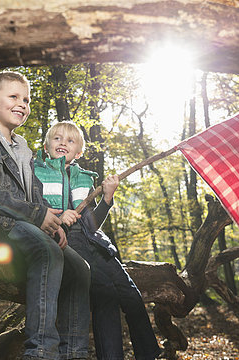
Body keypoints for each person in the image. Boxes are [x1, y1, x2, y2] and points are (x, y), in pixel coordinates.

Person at [0, 71, 90, 360]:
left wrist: (52, 222)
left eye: (26, 99)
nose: (22, 104)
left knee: (80, 270)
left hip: (24, 221)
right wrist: (38, 215)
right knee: (47, 252)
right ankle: (40, 351)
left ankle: (75, 352)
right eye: (13, 97)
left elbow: (34, 195)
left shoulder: (23, 149)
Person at [34, 121, 162, 360]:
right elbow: (37, 210)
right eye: (57, 138)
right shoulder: (37, 172)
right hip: (69, 243)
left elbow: (93, 224)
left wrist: (107, 197)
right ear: (46, 145)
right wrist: (60, 216)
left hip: (98, 245)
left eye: (70, 141)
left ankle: (149, 353)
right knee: (105, 294)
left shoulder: (85, 178)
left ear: (79, 151)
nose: (63, 143)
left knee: (130, 293)